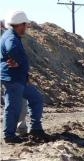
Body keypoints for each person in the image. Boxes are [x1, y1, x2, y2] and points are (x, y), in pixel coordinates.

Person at [1, 10, 49, 144]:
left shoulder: (12, 35)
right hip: (12, 78)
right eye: (25, 25)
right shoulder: (11, 37)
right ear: (20, 24)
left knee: (37, 98)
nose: (26, 28)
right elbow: (12, 50)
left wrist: (24, 72)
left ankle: (36, 128)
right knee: (13, 107)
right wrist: (18, 61)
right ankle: (9, 135)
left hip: (19, 78)